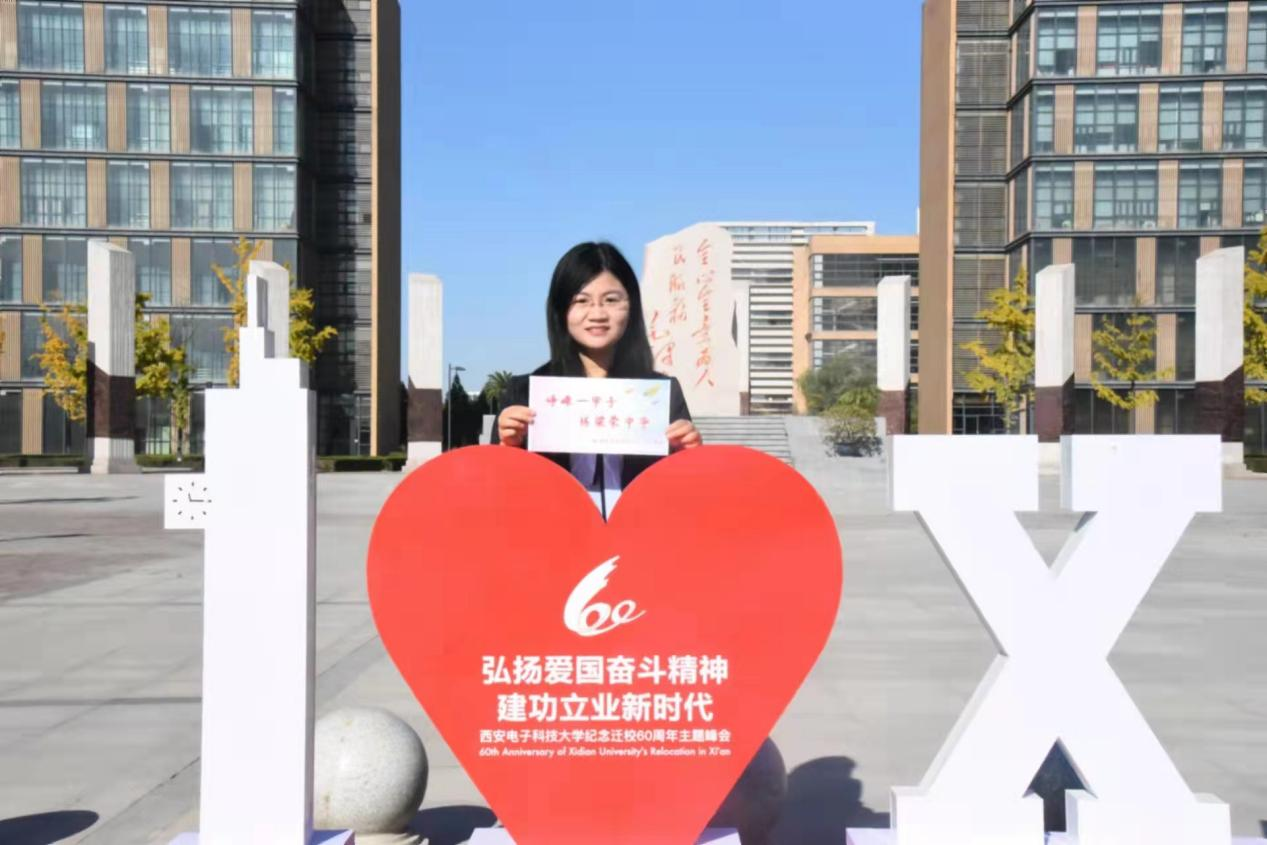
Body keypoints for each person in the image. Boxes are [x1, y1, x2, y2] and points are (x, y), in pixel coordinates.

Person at [492, 241, 702, 518]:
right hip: (556, 537)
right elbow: (500, 495)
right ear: (560, 310)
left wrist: (689, 454)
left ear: (632, 306)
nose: (598, 314)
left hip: (639, 535)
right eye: (581, 301)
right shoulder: (525, 393)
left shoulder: (661, 394)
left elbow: (686, 494)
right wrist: (507, 448)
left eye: (611, 300)